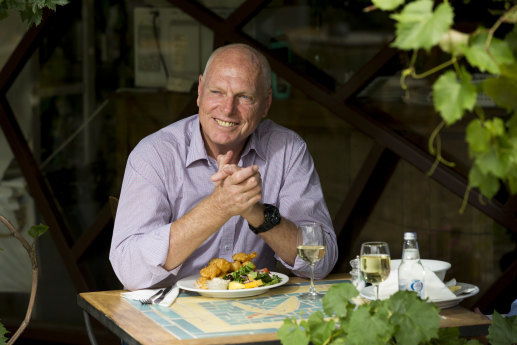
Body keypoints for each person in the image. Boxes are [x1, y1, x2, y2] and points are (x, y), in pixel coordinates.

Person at [109, 43, 338, 290]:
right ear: (199, 91)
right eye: (217, 92)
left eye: (244, 97)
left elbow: (321, 262)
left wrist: (258, 214)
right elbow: (129, 271)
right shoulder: (155, 154)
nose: (228, 109)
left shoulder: (287, 150)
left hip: (253, 313)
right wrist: (218, 207)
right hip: (169, 313)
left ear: (266, 103)